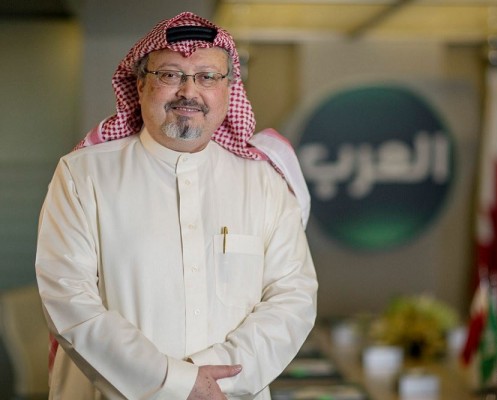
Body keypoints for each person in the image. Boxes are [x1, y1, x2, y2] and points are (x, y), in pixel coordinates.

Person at [35, 12, 318, 400]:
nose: (189, 92)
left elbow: (293, 300)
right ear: (140, 84)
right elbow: (69, 302)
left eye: (207, 77)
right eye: (170, 75)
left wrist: (213, 382)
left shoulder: (265, 183)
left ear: (229, 88)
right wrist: (176, 383)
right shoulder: (82, 175)